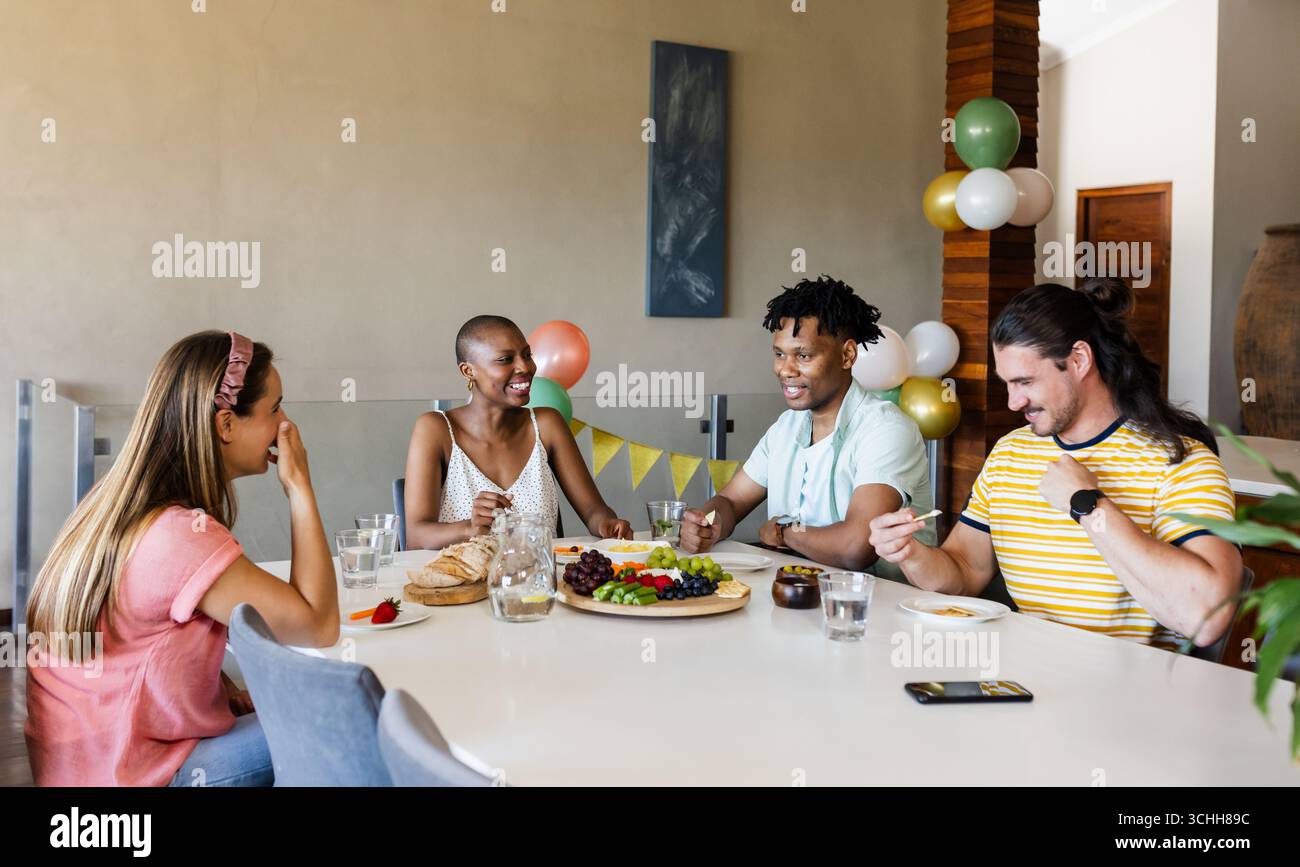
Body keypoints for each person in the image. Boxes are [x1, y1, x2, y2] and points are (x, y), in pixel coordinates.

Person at [25, 331, 339, 786]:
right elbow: (318, 626)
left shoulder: (113, 506)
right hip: (143, 778)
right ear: (226, 424)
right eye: (275, 409)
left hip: (83, 772)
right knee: (335, 717)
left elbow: (133, 650)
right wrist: (300, 490)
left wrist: (221, 690)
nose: (285, 423)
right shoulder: (177, 535)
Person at [869, 279, 1241, 649]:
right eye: (1008, 384)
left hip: (1133, 697)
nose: (1014, 402)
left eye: (1025, 381)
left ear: (1079, 359)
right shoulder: (1009, 455)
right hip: (1027, 681)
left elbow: (1206, 619)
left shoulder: (1182, 461)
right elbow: (966, 572)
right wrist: (910, 553)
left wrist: (1087, 504)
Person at [679, 276, 934, 575]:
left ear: (847, 355)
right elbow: (731, 501)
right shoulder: (786, 426)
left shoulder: (887, 429)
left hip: (878, 609)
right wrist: (707, 524)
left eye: (803, 355)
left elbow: (856, 546)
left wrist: (785, 531)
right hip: (799, 601)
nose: (785, 370)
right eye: (779, 354)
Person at [404, 315, 632, 548]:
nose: (525, 367)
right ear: (468, 371)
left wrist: (606, 522)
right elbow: (416, 536)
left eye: (527, 354)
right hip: (461, 582)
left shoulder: (547, 424)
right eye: (505, 359)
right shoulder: (435, 429)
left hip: (539, 581)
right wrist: (469, 528)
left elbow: (593, 510)